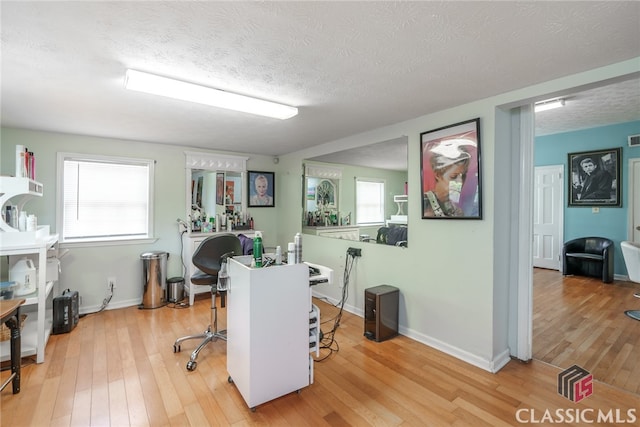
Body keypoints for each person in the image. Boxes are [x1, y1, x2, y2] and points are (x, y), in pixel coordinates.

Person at [423, 141, 471, 217]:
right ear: (438, 174)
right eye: (453, 176)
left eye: (463, 175)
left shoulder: (456, 210)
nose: (460, 182)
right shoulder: (423, 203)